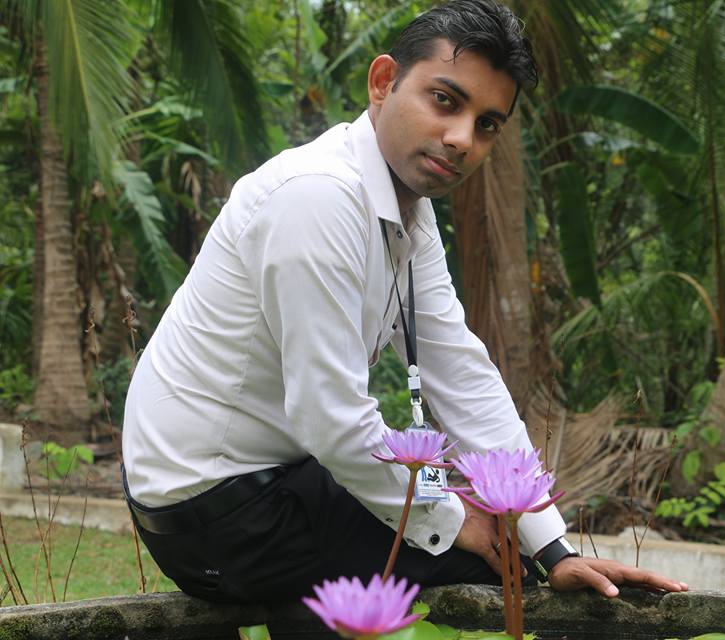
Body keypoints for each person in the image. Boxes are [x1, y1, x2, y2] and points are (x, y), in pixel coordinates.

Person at [121, 0, 689, 604]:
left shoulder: (406, 212)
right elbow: (330, 416)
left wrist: (553, 546)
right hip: (216, 513)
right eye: (445, 100)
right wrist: (452, 521)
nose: (462, 139)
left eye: (487, 124)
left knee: (514, 546)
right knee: (498, 562)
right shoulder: (318, 197)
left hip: (281, 479)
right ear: (383, 81)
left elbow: (460, 373)